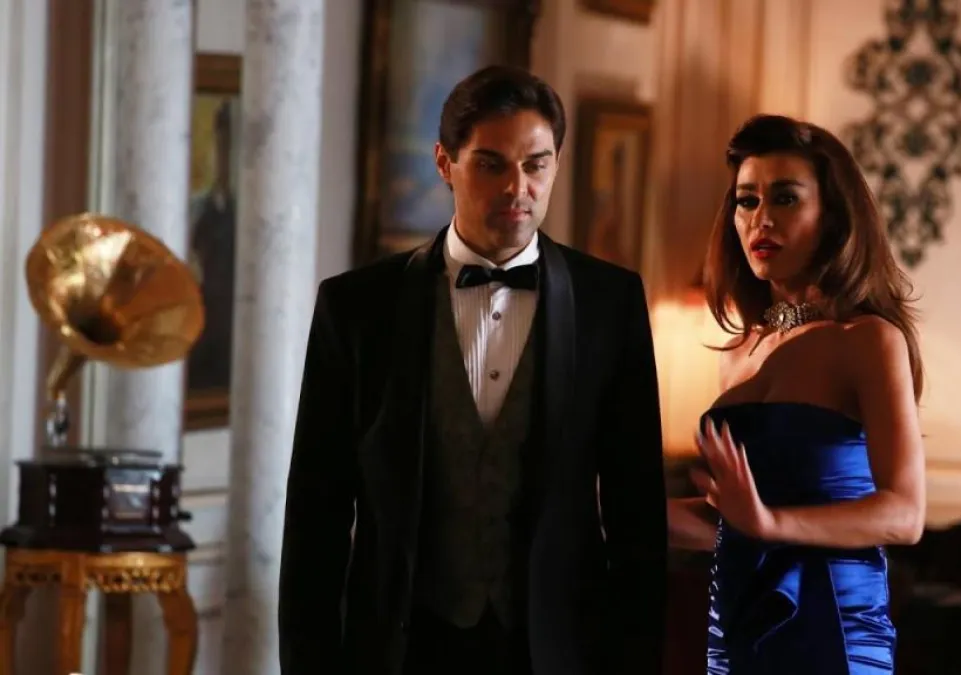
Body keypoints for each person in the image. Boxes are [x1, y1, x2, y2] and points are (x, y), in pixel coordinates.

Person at [278, 65, 667, 675]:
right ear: (445, 162)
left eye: (536, 165)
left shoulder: (610, 304)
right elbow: (315, 517)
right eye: (491, 164)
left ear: (557, 165)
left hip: (557, 652)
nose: (517, 188)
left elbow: (636, 515)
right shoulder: (356, 308)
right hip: (400, 651)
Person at [667, 114, 927, 674]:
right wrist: (602, 510)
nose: (761, 219)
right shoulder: (739, 352)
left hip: (832, 627)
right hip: (741, 622)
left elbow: (905, 514)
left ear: (831, 215)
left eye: (785, 199)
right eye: (747, 201)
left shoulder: (868, 340)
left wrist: (770, 525)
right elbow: (731, 522)